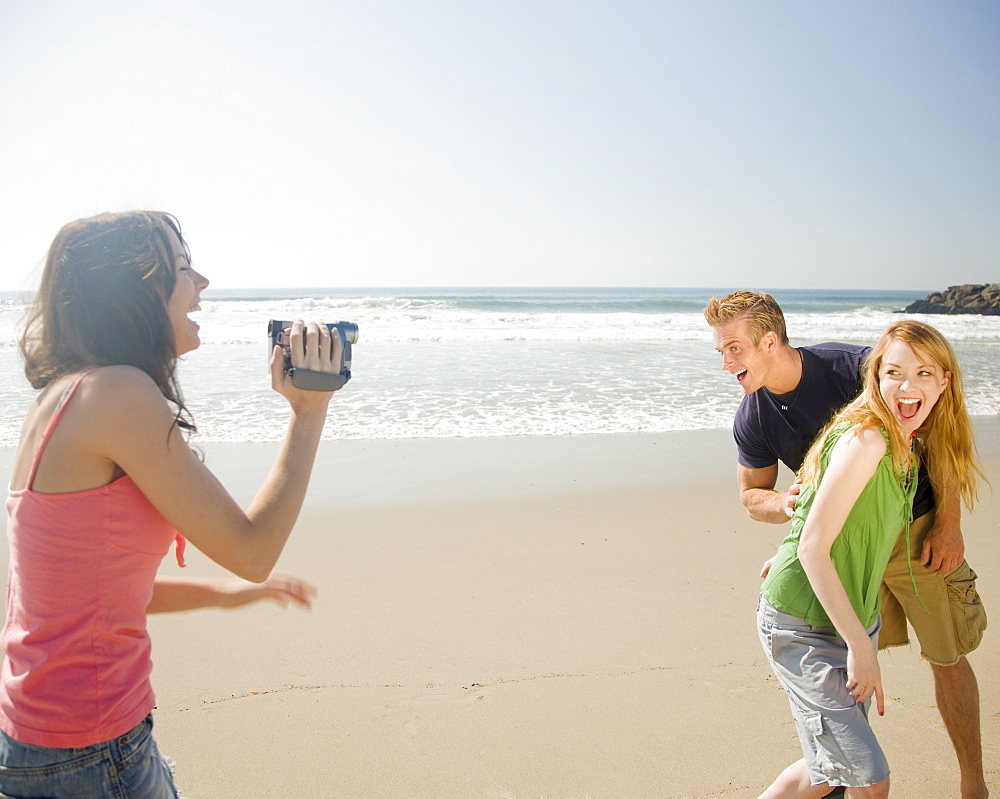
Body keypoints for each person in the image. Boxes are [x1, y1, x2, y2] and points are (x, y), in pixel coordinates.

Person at [1, 212, 341, 797]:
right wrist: (308, 413)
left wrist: (229, 594)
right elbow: (253, 547)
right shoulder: (118, 394)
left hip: (46, 741)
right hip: (90, 752)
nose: (202, 282)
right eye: (184, 268)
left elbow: (88, 595)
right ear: (133, 290)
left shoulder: (62, 394)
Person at [704, 292, 988, 798]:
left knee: (946, 658)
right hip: (834, 554)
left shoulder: (860, 370)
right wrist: (796, 517)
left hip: (913, 527)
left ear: (769, 342)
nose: (725, 364)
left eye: (733, 349)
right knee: (848, 743)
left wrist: (948, 523)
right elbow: (754, 497)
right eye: (721, 351)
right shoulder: (759, 417)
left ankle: (973, 785)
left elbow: (936, 425)